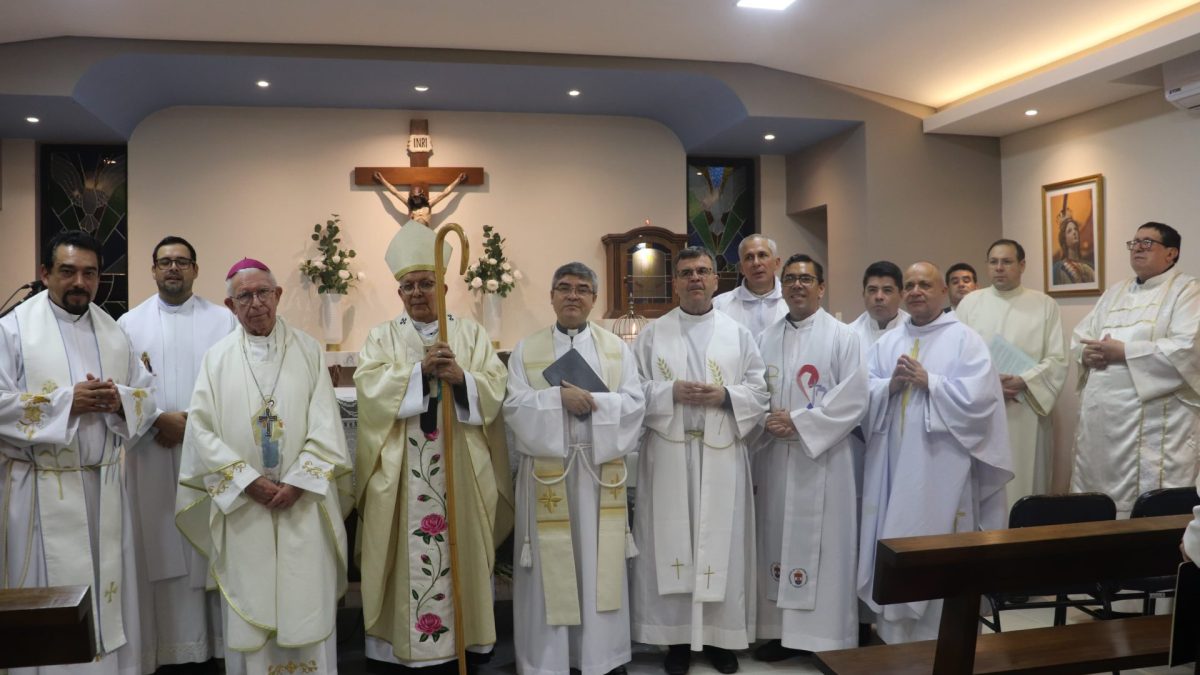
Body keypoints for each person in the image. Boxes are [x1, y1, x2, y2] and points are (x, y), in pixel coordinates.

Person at [176, 258, 351, 674]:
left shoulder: (308, 350)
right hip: (245, 508)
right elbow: (201, 431)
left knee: (305, 597)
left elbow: (326, 423)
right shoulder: (216, 360)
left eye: (263, 293)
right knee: (250, 605)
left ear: (278, 295)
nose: (256, 303)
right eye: (244, 296)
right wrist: (246, 480)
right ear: (230, 304)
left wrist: (298, 483)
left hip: (302, 505)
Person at [355, 219, 514, 670]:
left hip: (460, 466)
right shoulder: (382, 337)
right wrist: (417, 374)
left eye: (427, 283)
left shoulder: (471, 335)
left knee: (461, 550)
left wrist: (463, 379)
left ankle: (466, 639)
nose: (418, 293)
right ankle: (397, 646)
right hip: (403, 474)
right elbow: (369, 391)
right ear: (399, 293)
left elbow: (495, 388)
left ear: (444, 286)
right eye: (409, 286)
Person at [0, 230, 156, 675]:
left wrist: (119, 400)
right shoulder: (12, 330)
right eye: (67, 271)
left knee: (105, 597)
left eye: (89, 273)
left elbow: (147, 400)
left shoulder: (114, 332)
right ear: (45, 273)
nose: (79, 283)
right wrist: (67, 402)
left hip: (103, 487)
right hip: (39, 492)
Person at [630, 247, 769, 675]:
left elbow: (760, 392)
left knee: (720, 542)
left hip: (721, 453)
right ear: (675, 282)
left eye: (703, 272)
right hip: (669, 451)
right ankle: (674, 639)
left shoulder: (738, 334)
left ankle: (719, 638)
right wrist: (667, 393)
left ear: (716, 281)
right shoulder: (653, 333)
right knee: (669, 542)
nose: (695, 279)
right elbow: (632, 391)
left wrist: (725, 395)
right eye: (687, 273)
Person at [857, 262, 1012, 644]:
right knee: (894, 539)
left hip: (944, 470)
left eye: (924, 284)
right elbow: (862, 393)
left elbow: (982, 401)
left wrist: (933, 382)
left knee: (942, 546)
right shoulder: (887, 342)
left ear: (943, 291)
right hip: (893, 469)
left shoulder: (965, 340)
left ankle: (946, 641)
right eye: (908, 285)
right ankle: (895, 640)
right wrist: (888, 387)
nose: (915, 291)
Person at [505, 262, 646, 675]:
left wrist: (596, 402)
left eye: (582, 289)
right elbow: (512, 406)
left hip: (599, 474)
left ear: (593, 300)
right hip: (548, 472)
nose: (572, 295)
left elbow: (636, 405)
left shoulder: (617, 350)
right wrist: (556, 401)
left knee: (598, 566)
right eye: (563, 288)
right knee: (551, 571)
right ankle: (547, 660)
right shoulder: (525, 349)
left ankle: (600, 656)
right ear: (551, 296)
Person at [118, 236, 236, 669]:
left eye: (182, 262)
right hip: (151, 454)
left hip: (207, 454)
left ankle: (217, 645)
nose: (173, 269)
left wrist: (189, 423)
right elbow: (123, 388)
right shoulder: (129, 324)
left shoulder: (223, 321)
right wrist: (156, 420)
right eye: (165, 262)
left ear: (195, 269)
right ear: (153, 270)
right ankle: (164, 647)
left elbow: (234, 382)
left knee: (208, 547)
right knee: (158, 543)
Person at [752, 254, 866, 660]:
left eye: (806, 279)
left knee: (826, 549)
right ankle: (780, 634)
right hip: (776, 458)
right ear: (782, 288)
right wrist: (765, 420)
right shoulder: (764, 338)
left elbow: (854, 400)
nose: (797, 285)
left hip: (825, 461)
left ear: (821, 287)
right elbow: (753, 390)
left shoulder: (843, 337)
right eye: (791, 279)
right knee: (776, 541)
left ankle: (825, 640)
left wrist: (799, 422)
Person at [1070, 222, 1200, 515]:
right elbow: (1081, 336)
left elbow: (1187, 349)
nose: (1138, 248)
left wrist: (1125, 352)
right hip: (1102, 426)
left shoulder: (1187, 291)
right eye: (1134, 242)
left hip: (1152, 424)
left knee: (1144, 507)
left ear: (1171, 253)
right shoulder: (1115, 292)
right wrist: (1086, 353)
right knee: (1097, 504)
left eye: (1147, 243)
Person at [956, 239, 1065, 508]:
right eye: (993, 262)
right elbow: (955, 357)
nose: (999, 268)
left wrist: (1023, 381)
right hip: (982, 407)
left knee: (1026, 481)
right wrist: (989, 384)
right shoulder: (970, 304)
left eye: (1006, 262)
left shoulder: (1044, 304)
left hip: (1025, 406)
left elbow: (1058, 359)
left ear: (1022, 265)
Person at [712, 235, 787, 336]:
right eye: (749, 257)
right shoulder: (719, 305)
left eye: (762, 255)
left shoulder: (792, 301)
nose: (756, 263)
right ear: (741, 268)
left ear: (776, 263)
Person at [847, 261, 909, 362]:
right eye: (872, 290)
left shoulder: (914, 330)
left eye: (887, 290)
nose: (879, 297)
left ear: (901, 294)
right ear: (863, 294)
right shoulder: (849, 335)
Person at [374, 170, 468, 228]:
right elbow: (395, 192)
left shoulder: (429, 203)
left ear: (422, 196)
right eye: (414, 197)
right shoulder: (410, 204)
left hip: (426, 234)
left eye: (417, 197)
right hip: (414, 235)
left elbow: (445, 193)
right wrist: (382, 180)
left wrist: (458, 180)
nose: (415, 199)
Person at [1051, 215, 1096, 285]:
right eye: (1069, 231)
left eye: (1075, 229)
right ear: (1064, 240)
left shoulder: (1090, 267)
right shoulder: (1059, 268)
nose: (1074, 232)